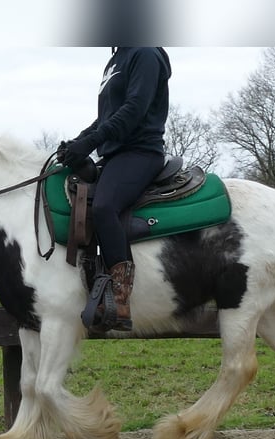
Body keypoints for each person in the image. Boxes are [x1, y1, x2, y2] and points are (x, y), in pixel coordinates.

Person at [59, 47, 171, 331]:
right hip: (114, 155)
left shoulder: (145, 53)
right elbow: (106, 117)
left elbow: (134, 109)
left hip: (140, 152)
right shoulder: (116, 59)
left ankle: (120, 296)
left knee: (105, 206)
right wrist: (78, 141)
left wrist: (92, 142)